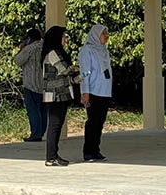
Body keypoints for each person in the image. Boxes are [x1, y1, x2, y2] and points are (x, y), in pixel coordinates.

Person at [41, 25, 80, 166]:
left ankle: (53, 155)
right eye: (63, 37)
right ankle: (51, 157)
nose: (65, 40)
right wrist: (76, 69)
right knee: (54, 125)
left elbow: (61, 76)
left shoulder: (57, 52)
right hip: (54, 95)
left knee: (57, 125)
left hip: (61, 93)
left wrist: (75, 79)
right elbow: (64, 70)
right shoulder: (52, 53)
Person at [78, 23, 112, 162]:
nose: (106, 36)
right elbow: (85, 73)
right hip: (93, 91)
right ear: (96, 35)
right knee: (92, 122)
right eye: (103, 34)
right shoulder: (87, 51)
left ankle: (96, 149)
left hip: (104, 91)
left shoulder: (104, 50)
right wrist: (85, 91)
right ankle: (88, 151)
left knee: (100, 122)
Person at [14, 28, 47, 142]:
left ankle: (36, 134)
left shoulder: (29, 49)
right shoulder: (45, 46)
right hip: (44, 83)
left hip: (31, 83)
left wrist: (21, 49)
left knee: (33, 110)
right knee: (43, 110)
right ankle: (41, 131)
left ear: (29, 38)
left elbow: (17, 61)